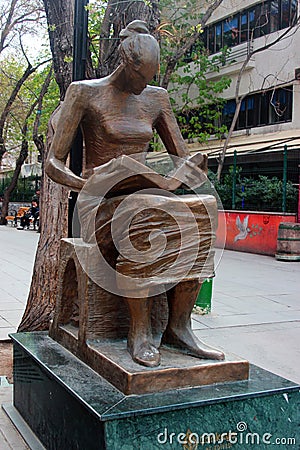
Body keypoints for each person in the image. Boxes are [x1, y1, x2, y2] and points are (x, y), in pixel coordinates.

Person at [46, 20, 224, 367]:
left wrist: (190, 169)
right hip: (98, 202)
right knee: (143, 209)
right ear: (126, 65)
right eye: (141, 77)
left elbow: (180, 158)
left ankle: (179, 327)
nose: (145, 85)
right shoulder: (84, 92)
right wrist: (90, 184)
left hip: (144, 194)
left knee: (204, 207)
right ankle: (139, 330)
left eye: (150, 78)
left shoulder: (157, 98)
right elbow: (53, 162)